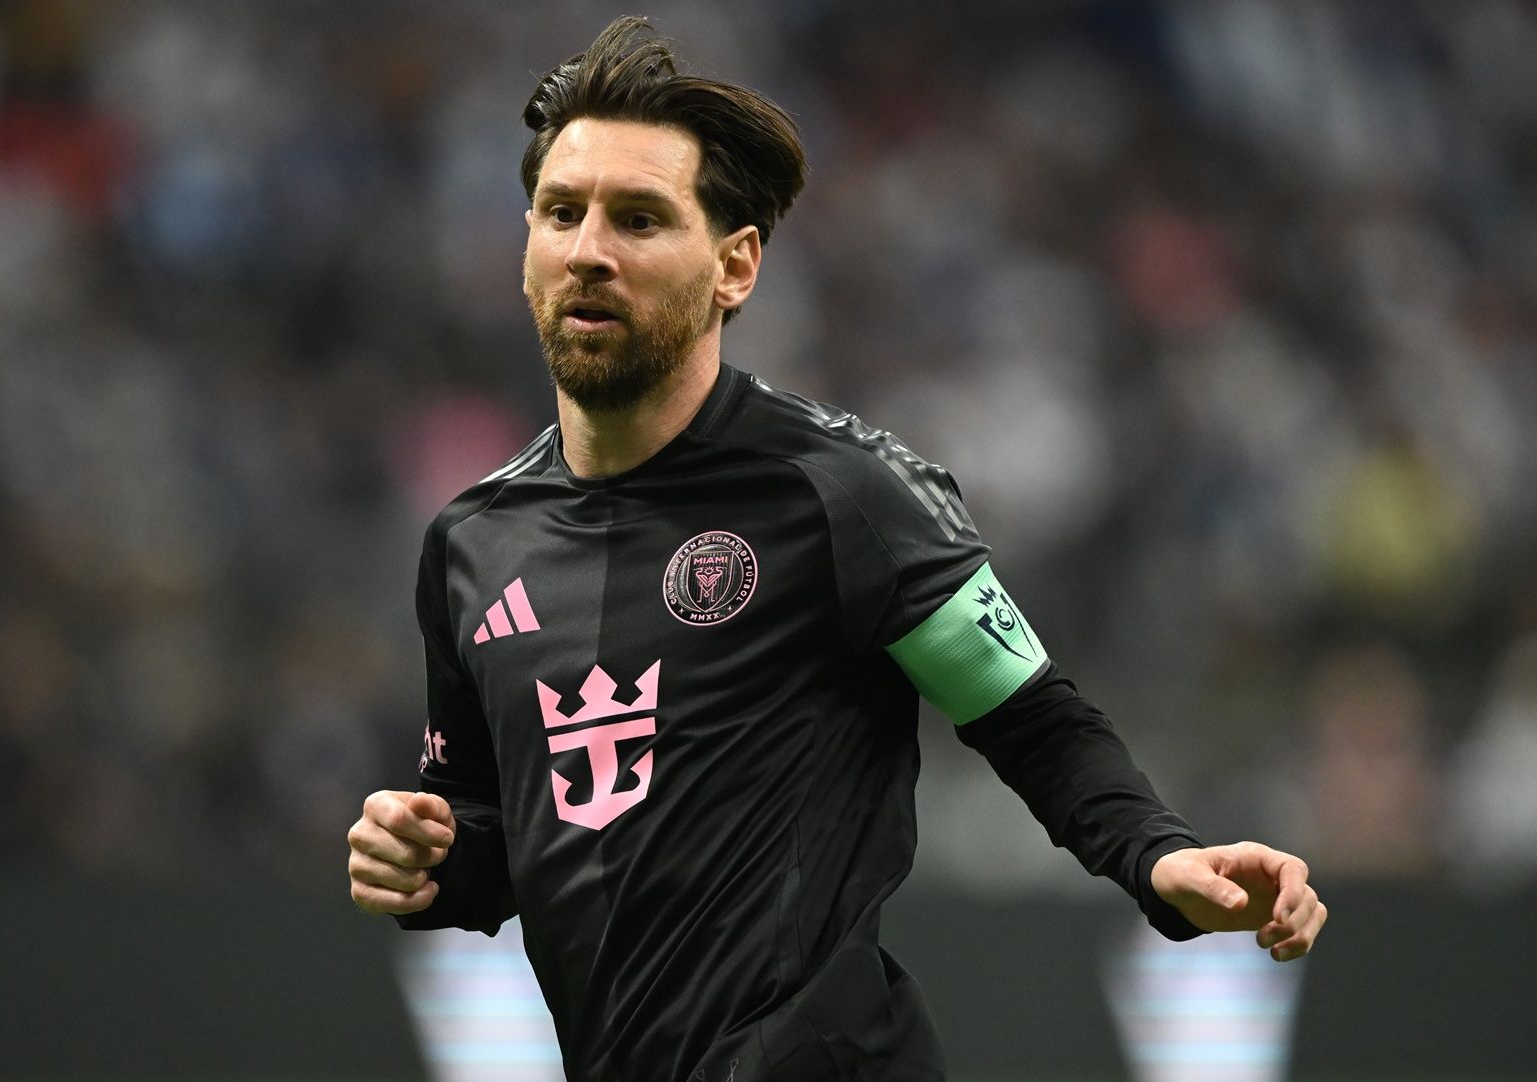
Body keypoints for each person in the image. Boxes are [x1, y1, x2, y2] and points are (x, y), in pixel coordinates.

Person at [347, 17, 1328, 1081]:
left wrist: (1159, 855)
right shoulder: (472, 543)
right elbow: (506, 837)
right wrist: (428, 858)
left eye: (638, 218)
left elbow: (1029, 714)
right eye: (560, 212)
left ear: (734, 266)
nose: (588, 249)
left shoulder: (843, 493)